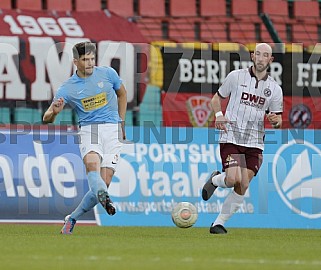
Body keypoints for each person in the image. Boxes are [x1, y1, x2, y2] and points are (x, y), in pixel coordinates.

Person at [43, 41, 127, 234]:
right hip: (90, 130)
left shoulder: (108, 74)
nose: (89, 63)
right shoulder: (68, 88)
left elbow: (123, 94)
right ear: (75, 62)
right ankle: (105, 199)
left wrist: (121, 122)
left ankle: (72, 218)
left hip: (113, 131)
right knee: (92, 165)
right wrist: (54, 113)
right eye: (85, 59)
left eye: (91, 58)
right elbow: (46, 117)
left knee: (103, 184)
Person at [202, 43, 283, 234]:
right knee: (232, 179)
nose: (261, 58)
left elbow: (278, 120)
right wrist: (219, 115)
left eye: (266, 55)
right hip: (232, 136)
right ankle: (216, 180)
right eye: (258, 54)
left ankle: (218, 224)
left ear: (270, 60)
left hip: (255, 142)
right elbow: (216, 98)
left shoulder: (274, 89)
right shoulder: (236, 76)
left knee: (243, 183)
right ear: (253, 56)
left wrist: (275, 120)